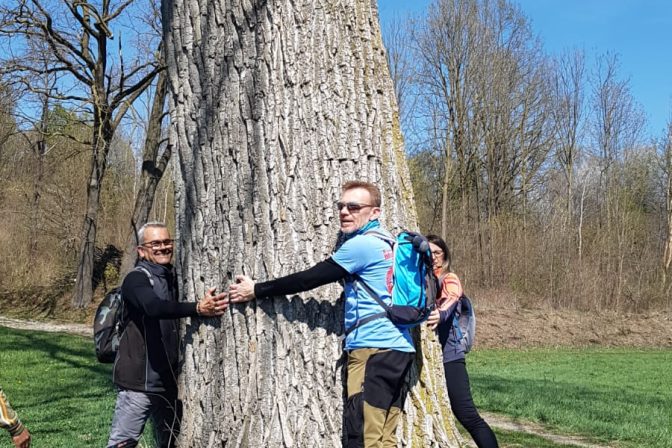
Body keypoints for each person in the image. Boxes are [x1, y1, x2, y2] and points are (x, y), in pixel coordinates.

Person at [229, 181, 415, 448]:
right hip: (400, 349)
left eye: (354, 207)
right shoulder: (390, 242)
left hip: (372, 350)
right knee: (384, 437)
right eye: (341, 206)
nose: (344, 212)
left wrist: (257, 289)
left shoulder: (362, 245)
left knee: (363, 438)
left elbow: (309, 279)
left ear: (374, 213)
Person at [107, 222, 229, 448]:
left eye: (166, 242)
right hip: (138, 384)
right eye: (155, 243)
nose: (163, 247)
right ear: (141, 250)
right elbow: (153, 307)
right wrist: (196, 309)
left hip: (169, 382)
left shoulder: (171, 276)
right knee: (122, 444)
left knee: (171, 442)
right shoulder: (136, 279)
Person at [425, 235, 498, 448]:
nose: (433, 257)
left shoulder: (449, 278)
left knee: (467, 415)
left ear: (445, 256)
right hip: (429, 357)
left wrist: (440, 313)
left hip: (450, 356)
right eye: (428, 253)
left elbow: (452, 296)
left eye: (437, 253)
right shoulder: (422, 279)